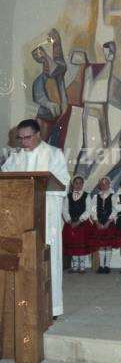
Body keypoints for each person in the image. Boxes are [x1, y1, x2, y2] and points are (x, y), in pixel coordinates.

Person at [2, 118, 70, 317]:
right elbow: (5, 179)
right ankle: (25, 305)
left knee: (49, 261)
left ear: (38, 134)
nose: (23, 143)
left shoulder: (54, 154)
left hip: (46, 215)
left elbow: (63, 184)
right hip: (22, 218)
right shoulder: (16, 157)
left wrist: (38, 188)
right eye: (20, 138)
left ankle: (52, 307)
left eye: (27, 138)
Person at [62, 176, 92, 273]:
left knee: (81, 246)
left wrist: (79, 220)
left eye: (80, 183)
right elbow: (65, 210)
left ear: (83, 184)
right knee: (73, 245)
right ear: (73, 184)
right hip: (71, 223)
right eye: (76, 183)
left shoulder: (87, 195)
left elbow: (88, 210)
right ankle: (75, 266)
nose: (78, 185)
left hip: (82, 224)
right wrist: (69, 221)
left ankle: (82, 267)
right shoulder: (68, 196)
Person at [90, 177, 117, 274]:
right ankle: (101, 266)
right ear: (99, 185)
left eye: (106, 183)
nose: (104, 185)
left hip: (109, 223)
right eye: (101, 183)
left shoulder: (114, 196)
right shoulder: (95, 197)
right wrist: (97, 222)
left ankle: (107, 266)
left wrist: (108, 222)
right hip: (99, 223)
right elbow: (92, 211)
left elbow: (115, 210)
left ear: (109, 184)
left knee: (108, 245)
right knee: (101, 244)